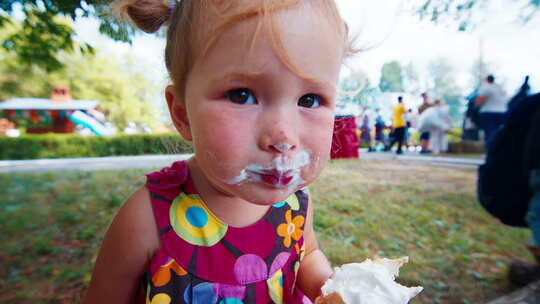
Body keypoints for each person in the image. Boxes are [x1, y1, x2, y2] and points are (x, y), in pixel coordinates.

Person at [83, 0, 355, 303]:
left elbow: (307, 255)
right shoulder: (147, 218)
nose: (283, 137)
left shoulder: (295, 203)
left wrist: (327, 286)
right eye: (242, 95)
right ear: (183, 114)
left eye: (309, 100)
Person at [475, 74, 508, 144]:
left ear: (487, 80)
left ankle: (490, 151)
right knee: (499, 132)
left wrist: (475, 105)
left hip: (489, 112)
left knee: (489, 132)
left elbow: (479, 101)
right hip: (502, 112)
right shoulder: (499, 87)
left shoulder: (486, 87)